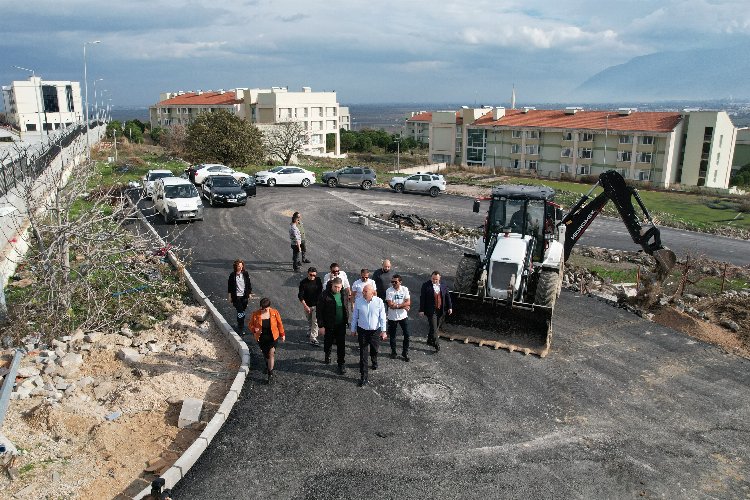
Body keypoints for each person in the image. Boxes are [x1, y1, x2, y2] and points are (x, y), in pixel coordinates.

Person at [350, 284, 387, 387]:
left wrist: (383, 331)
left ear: (372, 292)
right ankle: (364, 376)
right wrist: (353, 329)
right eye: (363, 291)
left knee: (374, 349)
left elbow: (382, 317)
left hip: (375, 331)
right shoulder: (358, 301)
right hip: (362, 331)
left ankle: (374, 361)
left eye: (366, 291)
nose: (363, 293)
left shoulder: (379, 301)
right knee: (363, 352)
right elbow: (355, 317)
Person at [317, 277, 350, 375]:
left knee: (341, 345)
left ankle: (341, 364)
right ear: (332, 285)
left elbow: (345, 307)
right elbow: (319, 312)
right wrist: (321, 326)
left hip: (341, 325)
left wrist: (346, 319)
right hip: (329, 325)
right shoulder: (324, 295)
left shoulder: (343, 293)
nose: (337, 289)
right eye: (335, 287)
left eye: (339, 287)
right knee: (328, 343)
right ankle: (327, 354)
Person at [249, 297, 285, 383]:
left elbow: (279, 324)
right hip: (261, 338)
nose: (263, 309)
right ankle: (268, 366)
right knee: (266, 355)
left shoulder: (274, 313)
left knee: (271, 353)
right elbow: (250, 324)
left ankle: (270, 373)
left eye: (265, 308)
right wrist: (254, 329)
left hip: (273, 337)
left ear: (269, 307)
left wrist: (282, 334)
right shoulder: (255, 314)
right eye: (261, 307)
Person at [419, 271, 453, 352]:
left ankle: (429, 340)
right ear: (431, 277)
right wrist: (421, 310)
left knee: (435, 326)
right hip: (431, 311)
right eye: (433, 279)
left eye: (436, 279)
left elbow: (447, 296)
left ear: (439, 278)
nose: (434, 281)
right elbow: (422, 298)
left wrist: (450, 307)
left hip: (440, 310)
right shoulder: (426, 285)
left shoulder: (444, 285)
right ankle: (436, 344)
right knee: (434, 329)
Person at [386, 274, 411, 361]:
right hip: (392, 317)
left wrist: (397, 305)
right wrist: (403, 306)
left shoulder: (405, 289)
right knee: (392, 336)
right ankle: (393, 352)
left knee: (407, 335)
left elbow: (408, 302)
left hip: (403, 316)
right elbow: (390, 305)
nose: (393, 283)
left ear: (400, 282)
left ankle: (405, 352)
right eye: (392, 281)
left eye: (395, 282)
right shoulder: (389, 291)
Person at [298, 266, 323, 346]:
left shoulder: (318, 280)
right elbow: (300, 296)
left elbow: (320, 292)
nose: (312, 277)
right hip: (307, 305)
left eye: (314, 275)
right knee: (309, 320)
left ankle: (313, 338)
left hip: (316, 305)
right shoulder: (303, 283)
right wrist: (305, 306)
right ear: (307, 274)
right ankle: (310, 330)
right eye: (311, 275)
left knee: (315, 321)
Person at [227, 259, 252, 335]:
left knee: (242, 312)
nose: (240, 267)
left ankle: (240, 322)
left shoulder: (245, 274)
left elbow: (248, 284)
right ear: (235, 267)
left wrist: (249, 293)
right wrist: (230, 296)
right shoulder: (232, 275)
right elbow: (230, 287)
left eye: (241, 266)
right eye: (239, 266)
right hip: (236, 297)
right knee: (240, 311)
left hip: (244, 296)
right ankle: (241, 327)